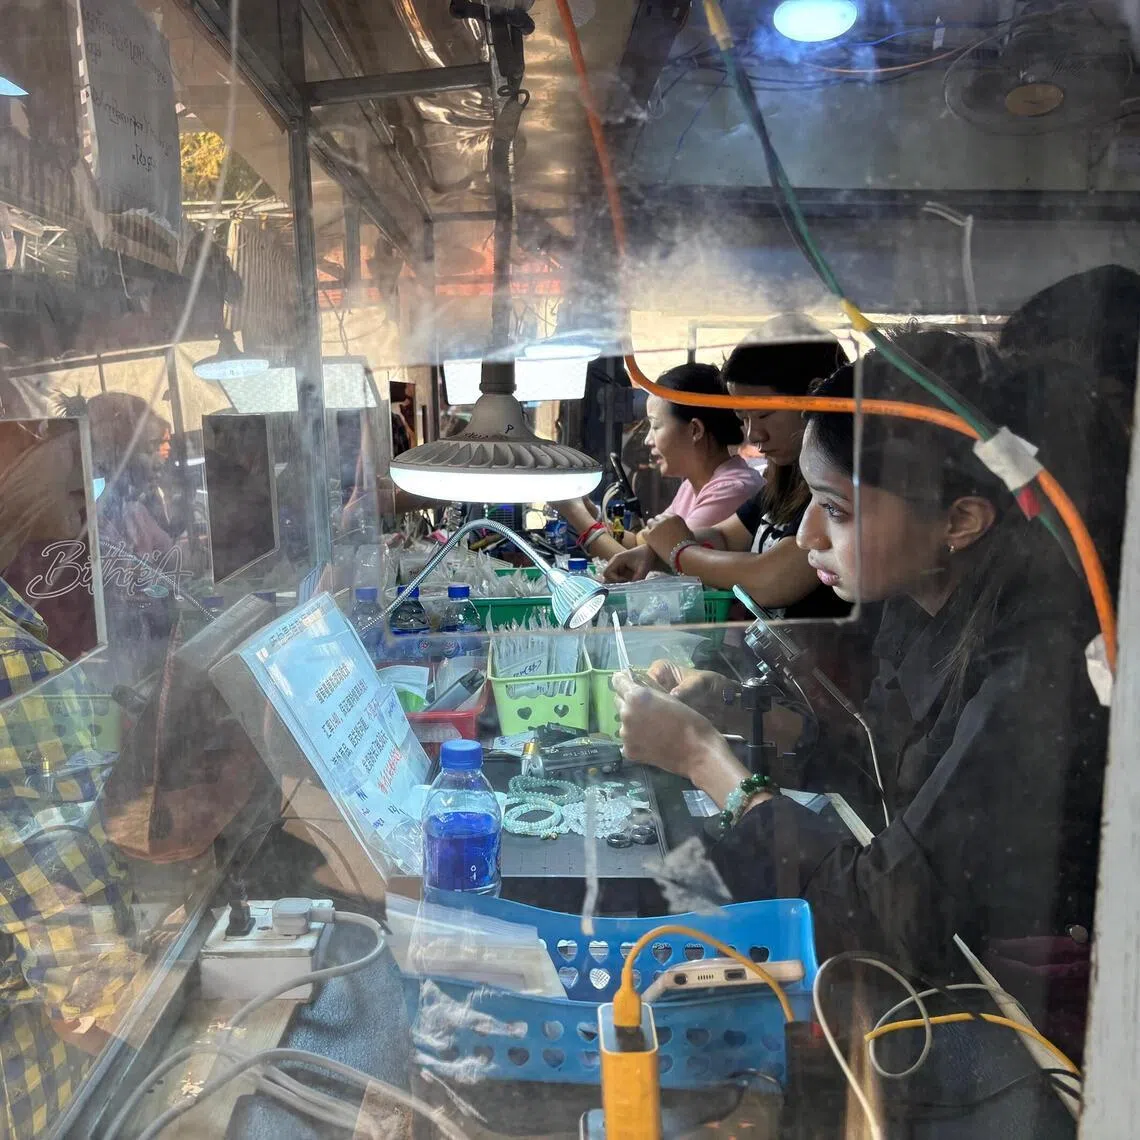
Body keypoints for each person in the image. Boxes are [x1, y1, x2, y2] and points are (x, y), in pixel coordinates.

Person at [613, 331, 1109, 1041]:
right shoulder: (917, 606)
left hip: (1016, 1018)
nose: (808, 535)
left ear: (960, 520)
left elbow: (881, 915)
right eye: (812, 503)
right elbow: (875, 762)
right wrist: (727, 709)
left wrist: (703, 760)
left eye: (837, 511)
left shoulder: (1037, 668)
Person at [0, 420, 140, 1138]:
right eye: (69, 489)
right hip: (39, 1093)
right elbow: (69, 933)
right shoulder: (14, 665)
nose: (85, 510)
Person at [605, 319, 850, 619]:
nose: (754, 434)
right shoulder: (781, 480)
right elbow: (724, 536)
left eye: (764, 415)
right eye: (743, 418)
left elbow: (772, 579)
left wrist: (679, 553)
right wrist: (654, 554)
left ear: (814, 400)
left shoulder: (835, 486)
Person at [554, 362, 762, 560]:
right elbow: (639, 543)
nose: (647, 440)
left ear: (695, 430)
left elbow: (651, 565)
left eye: (655, 426)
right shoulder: (692, 486)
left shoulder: (731, 490)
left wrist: (577, 514)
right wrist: (595, 516)